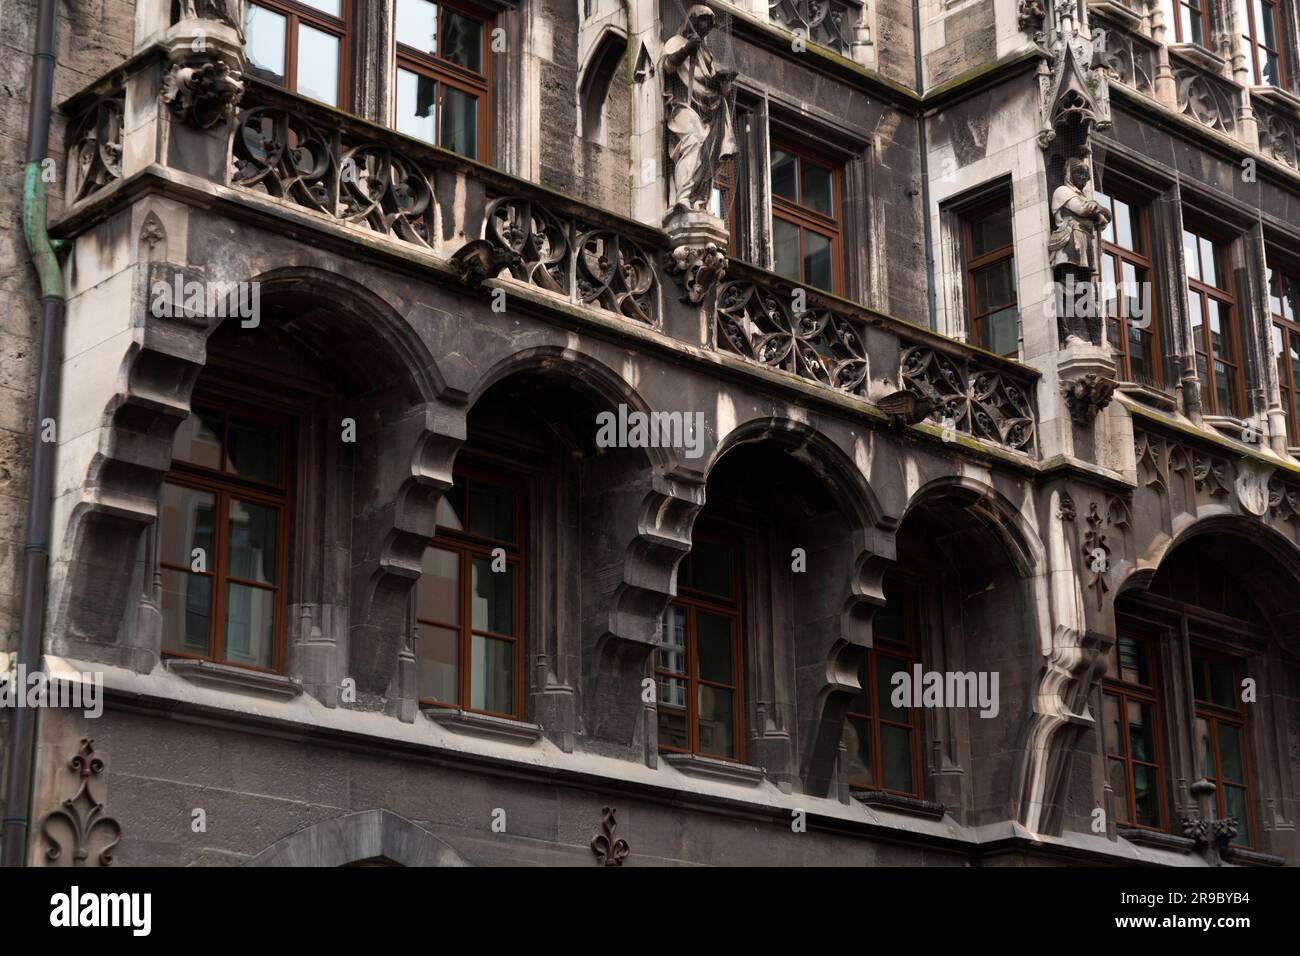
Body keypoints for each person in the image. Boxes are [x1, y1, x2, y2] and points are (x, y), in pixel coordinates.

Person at [661, 5, 738, 214]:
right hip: (683, 108)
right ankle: (683, 197)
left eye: (710, 24)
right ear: (693, 22)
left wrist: (723, 82)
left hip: (707, 113)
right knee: (693, 140)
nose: (707, 27)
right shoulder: (678, 42)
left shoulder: (706, 54)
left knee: (706, 155)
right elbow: (667, 65)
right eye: (703, 21)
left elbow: (709, 83)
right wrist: (687, 49)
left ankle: (699, 202)